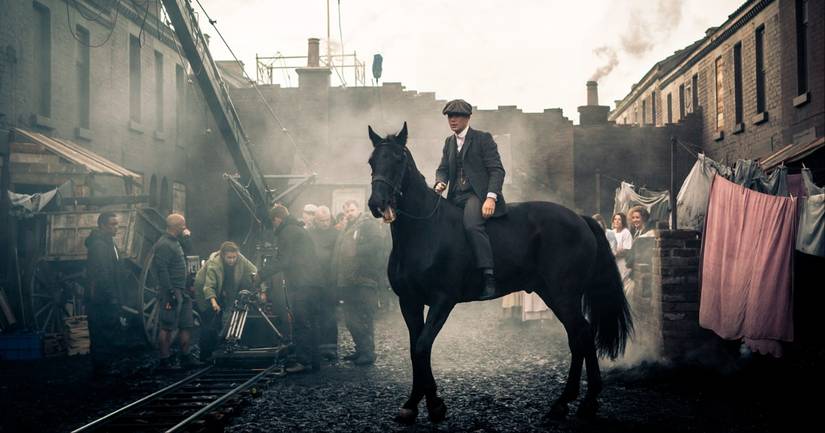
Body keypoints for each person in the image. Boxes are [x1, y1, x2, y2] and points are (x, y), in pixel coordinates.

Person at [434, 99, 506, 300]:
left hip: (476, 196)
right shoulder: (449, 142)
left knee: (472, 225)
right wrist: (440, 182)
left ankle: (488, 276)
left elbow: (497, 170)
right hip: (454, 195)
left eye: (457, 116)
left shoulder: (483, 139)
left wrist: (491, 198)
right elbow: (442, 169)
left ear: (467, 118)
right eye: (450, 116)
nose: (452, 120)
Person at [260, 204, 322, 373]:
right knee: (312, 322)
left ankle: (302, 361)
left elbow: (283, 261)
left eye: (273, 223)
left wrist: (261, 274)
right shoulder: (299, 230)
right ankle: (314, 360)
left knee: (301, 322)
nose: (274, 227)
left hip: (302, 283)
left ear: (277, 219)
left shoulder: (287, 232)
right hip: (313, 282)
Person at [331, 200, 384, 365]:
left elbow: (378, 244)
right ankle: (360, 349)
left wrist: (356, 251)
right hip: (347, 281)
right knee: (350, 318)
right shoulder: (346, 228)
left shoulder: (369, 224)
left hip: (364, 279)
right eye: (346, 211)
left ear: (359, 210)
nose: (349, 213)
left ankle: (368, 353)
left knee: (363, 317)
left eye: (352, 210)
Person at [195, 241, 258, 361]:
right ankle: (206, 354)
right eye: (229, 257)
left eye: (234, 257)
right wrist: (214, 303)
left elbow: (254, 271)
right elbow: (209, 286)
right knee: (210, 321)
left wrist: (262, 289)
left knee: (228, 313)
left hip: (227, 287)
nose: (232, 260)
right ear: (223, 255)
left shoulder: (240, 258)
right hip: (206, 290)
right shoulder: (215, 264)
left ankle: (227, 343)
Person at [153, 213, 201, 369]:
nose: (185, 227)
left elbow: (188, 257)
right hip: (171, 292)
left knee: (186, 324)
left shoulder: (176, 241)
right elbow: (162, 270)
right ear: (176, 227)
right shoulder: (164, 244)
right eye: (183, 225)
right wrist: (170, 293)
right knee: (167, 327)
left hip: (183, 291)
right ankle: (164, 360)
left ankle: (185, 357)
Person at [84, 211, 122, 375]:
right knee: (102, 333)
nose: (116, 227)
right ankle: (101, 368)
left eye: (116, 224)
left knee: (108, 332)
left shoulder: (109, 243)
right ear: (102, 226)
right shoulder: (99, 245)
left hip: (106, 296)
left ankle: (105, 366)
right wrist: (111, 296)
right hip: (101, 298)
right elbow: (103, 273)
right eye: (112, 224)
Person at [309, 205, 341, 360]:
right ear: (316, 221)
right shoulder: (310, 234)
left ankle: (331, 348)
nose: (325, 223)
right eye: (321, 221)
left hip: (330, 280)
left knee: (330, 314)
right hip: (314, 279)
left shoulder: (336, 234)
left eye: (327, 220)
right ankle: (318, 347)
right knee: (316, 314)